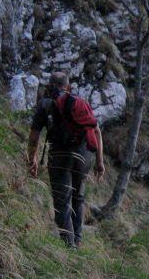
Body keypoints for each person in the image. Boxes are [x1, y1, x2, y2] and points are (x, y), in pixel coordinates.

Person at [27, 72, 105, 248]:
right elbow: (97, 131)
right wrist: (100, 162)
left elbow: (34, 137)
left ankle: (69, 247)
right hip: (83, 156)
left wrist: (32, 159)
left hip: (59, 156)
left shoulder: (45, 105)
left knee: (62, 202)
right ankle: (77, 240)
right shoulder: (80, 103)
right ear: (68, 87)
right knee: (78, 197)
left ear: (50, 86)